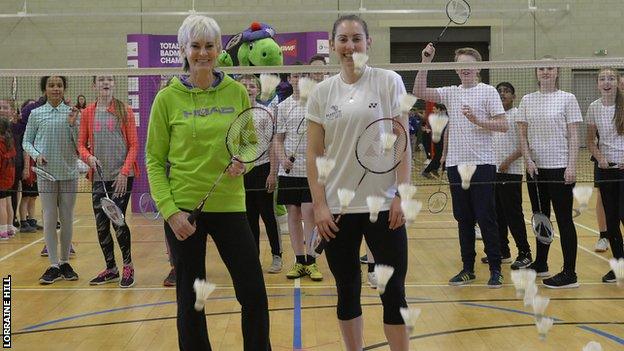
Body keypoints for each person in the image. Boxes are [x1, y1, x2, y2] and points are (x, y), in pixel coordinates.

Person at [145, 15, 271, 350]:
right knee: (192, 298)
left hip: (230, 205)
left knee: (253, 292)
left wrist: (242, 162)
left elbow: (247, 143)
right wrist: (171, 213)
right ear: (183, 50)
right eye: (196, 46)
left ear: (218, 50)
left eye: (209, 46)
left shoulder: (236, 92)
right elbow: (154, 161)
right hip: (185, 212)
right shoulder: (166, 99)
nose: (203, 53)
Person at [307, 15, 411, 351]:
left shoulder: (388, 81)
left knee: (393, 291)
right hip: (337, 208)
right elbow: (314, 154)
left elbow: (401, 140)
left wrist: (402, 195)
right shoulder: (322, 93)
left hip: (383, 205)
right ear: (333, 44)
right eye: (343, 39)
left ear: (368, 42)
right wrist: (320, 205)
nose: (350, 46)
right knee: (347, 289)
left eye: (356, 39)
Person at [414, 45, 508, 288]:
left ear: (477, 67)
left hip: (483, 164)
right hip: (456, 165)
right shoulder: (450, 93)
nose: (465, 68)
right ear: (456, 68)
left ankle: (496, 269)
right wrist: (426, 61)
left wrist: (478, 121)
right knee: (463, 219)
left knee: (486, 217)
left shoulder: (488, 92)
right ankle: (468, 269)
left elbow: (504, 125)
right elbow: (419, 90)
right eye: (461, 64)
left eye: (469, 64)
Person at [517, 57, 582, 288]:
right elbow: (522, 135)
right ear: (536, 72)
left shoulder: (568, 98)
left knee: (564, 220)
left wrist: (572, 165)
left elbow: (575, 135)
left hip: (560, 168)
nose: (545, 71)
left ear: (557, 72)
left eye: (550, 68)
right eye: (541, 68)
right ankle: (541, 263)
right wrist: (528, 160)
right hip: (535, 169)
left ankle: (570, 273)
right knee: (540, 217)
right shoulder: (527, 100)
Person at [78, 75, 139, 288]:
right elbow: (81, 145)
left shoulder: (125, 110)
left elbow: (134, 145)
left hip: (122, 177)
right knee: (101, 225)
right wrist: (88, 158)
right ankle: (111, 268)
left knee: (118, 221)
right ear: (94, 85)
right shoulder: (87, 113)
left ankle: (128, 266)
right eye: (101, 80)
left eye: (110, 80)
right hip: (99, 177)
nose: (106, 83)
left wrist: (124, 172)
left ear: (114, 84)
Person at [23, 76, 81, 284]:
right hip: (46, 174)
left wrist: (74, 125)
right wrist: (36, 155)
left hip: (69, 175)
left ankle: (65, 262)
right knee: (49, 218)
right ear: (45, 89)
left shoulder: (72, 113)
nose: (56, 88)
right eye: (51, 85)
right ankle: (54, 264)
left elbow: (79, 143)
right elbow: (26, 141)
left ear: (64, 89)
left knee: (66, 218)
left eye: (59, 85)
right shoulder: (36, 114)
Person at [274, 69, 322, 281]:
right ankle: (299, 260)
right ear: (289, 79)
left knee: (309, 211)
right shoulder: (282, 107)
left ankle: (312, 261)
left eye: (302, 75)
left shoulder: (316, 103)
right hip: (290, 171)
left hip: (311, 169)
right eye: (294, 75)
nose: (298, 79)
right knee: (293, 213)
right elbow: (278, 139)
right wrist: (282, 158)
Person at [480, 82, 532, 269]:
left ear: (513, 96)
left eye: (506, 91)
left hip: (511, 172)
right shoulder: (494, 117)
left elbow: (524, 144)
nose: (502, 94)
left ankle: (525, 253)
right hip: (492, 172)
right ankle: (503, 251)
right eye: (499, 91)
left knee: (513, 215)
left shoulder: (517, 114)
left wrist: (508, 161)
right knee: (496, 214)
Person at [238, 74, 283, 273]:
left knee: (268, 215)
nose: (248, 88)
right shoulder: (234, 113)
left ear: (258, 90)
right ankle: (252, 257)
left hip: (263, 168)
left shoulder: (266, 112)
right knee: (248, 217)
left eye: (252, 85)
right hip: (241, 171)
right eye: (244, 85)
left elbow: (274, 145)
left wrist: (272, 173)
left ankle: (277, 255)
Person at [586, 67, 624, 283]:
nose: (606, 82)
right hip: (606, 168)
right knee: (610, 220)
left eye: (611, 78)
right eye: (602, 79)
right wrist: (600, 157)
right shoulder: (593, 107)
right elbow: (590, 140)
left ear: (618, 82)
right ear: (598, 84)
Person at [0, 110, 17, 240]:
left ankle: (2, 231)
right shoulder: (9, 140)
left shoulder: (0, 142)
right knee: (7, 202)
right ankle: (10, 227)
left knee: (1, 204)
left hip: (2, 177)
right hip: (9, 177)